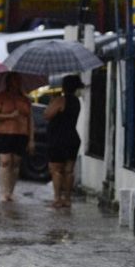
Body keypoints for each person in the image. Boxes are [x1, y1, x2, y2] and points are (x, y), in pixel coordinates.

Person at [0, 72, 35, 202]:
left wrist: (31, 139)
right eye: (13, 80)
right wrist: (9, 116)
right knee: (5, 161)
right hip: (4, 133)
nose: (16, 83)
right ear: (8, 82)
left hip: (21, 134)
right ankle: (4, 192)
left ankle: (10, 191)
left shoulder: (25, 100)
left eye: (18, 80)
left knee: (16, 162)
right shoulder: (0, 97)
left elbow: (30, 120)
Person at [44, 75, 83, 208]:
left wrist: (52, 102)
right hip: (72, 137)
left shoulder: (60, 100)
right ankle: (67, 199)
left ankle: (57, 198)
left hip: (58, 138)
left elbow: (47, 115)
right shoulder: (76, 101)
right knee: (69, 170)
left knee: (56, 170)